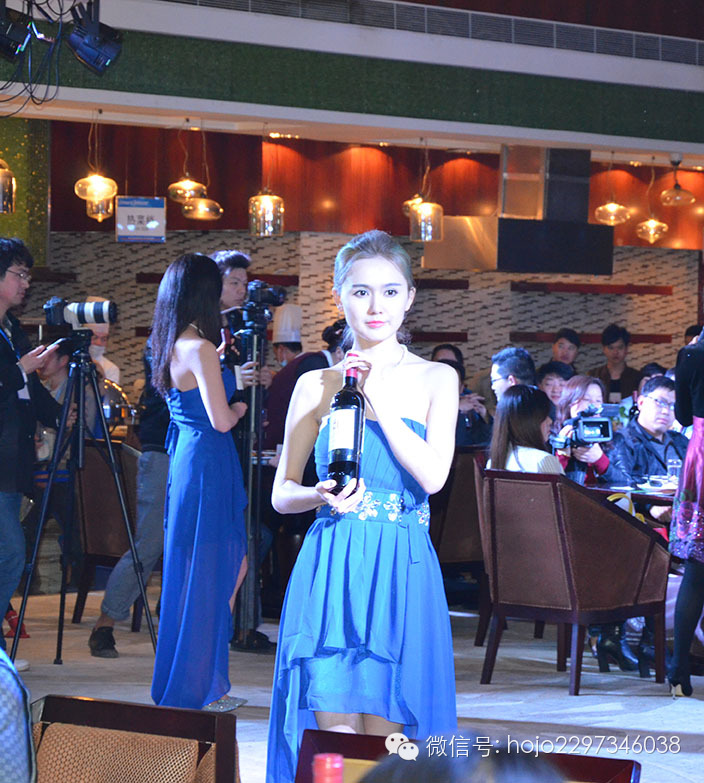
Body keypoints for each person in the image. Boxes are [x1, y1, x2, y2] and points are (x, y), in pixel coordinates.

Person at [266, 230, 458, 783]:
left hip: (400, 568)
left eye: (391, 291)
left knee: (389, 744)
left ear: (410, 298)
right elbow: (281, 493)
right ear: (339, 296)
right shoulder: (314, 384)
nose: (377, 306)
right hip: (332, 565)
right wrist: (317, 494)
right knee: (332, 740)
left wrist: (377, 403)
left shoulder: (436, 378)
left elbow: (434, 477)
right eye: (361, 291)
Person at [149, 253, 248, 711]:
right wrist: (241, 404)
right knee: (217, 568)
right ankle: (202, 687)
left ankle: (202, 680)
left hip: (189, 459)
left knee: (200, 570)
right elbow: (222, 420)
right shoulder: (201, 348)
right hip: (208, 460)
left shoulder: (170, 343)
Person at [0, 238, 63, 673]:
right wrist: (20, 369)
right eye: (19, 274)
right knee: (10, 552)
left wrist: (60, 412)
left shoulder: (11, 328)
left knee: (9, 552)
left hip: (13, 462)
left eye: (27, 275)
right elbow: (14, 380)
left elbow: (29, 392)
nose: (26, 283)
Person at [87, 340, 170, 658]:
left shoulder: (220, 337)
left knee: (194, 547)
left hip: (200, 454)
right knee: (148, 544)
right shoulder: (166, 339)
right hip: (163, 450)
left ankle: (178, 622)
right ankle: (105, 623)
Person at [669, 326, 704, 697]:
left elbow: (681, 415)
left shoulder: (692, 354)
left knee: (697, 571)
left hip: (702, 455)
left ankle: (679, 671)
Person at [608, 376, 688, 525]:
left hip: (685, 518)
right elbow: (618, 485)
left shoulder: (681, 441)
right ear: (641, 403)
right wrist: (649, 506)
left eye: (672, 406)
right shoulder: (623, 440)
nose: (666, 411)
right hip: (644, 523)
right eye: (660, 402)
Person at [553, 375, 626, 486]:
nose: (594, 406)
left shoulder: (614, 439)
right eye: (586, 399)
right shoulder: (554, 437)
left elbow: (626, 483)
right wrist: (562, 456)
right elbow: (546, 485)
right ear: (570, 403)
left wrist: (599, 459)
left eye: (598, 400)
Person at [487, 385, 562, 474]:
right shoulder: (543, 460)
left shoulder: (492, 462)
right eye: (544, 416)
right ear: (527, 421)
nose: (550, 421)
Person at [437, 359, 491, 447]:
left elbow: (485, 444)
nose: (446, 389)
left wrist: (484, 416)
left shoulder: (468, 410)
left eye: (452, 384)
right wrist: (456, 410)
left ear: (461, 388)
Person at [587, 324, 642, 403]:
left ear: (626, 349)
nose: (615, 352)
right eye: (611, 348)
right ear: (604, 349)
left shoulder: (637, 377)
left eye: (620, 347)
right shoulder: (594, 375)